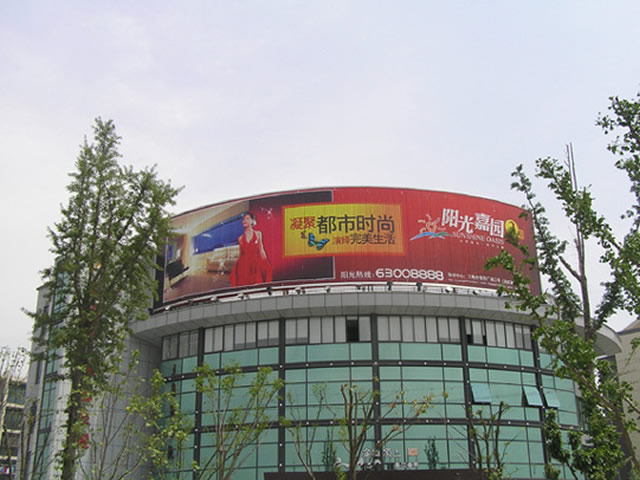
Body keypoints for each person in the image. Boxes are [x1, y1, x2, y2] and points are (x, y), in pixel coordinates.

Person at [229, 212, 273, 287]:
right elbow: (241, 254)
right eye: (243, 219)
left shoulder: (258, 234)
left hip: (254, 264)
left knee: (256, 285)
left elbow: (261, 250)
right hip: (244, 266)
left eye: (247, 218)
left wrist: (266, 262)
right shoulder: (240, 238)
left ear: (252, 221)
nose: (244, 221)